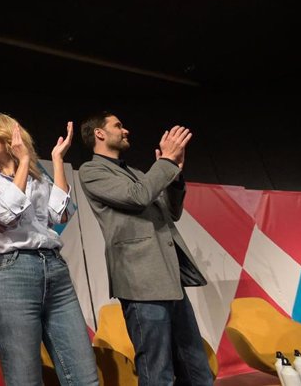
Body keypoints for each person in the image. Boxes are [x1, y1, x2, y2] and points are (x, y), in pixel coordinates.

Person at [78, 111, 213, 386]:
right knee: (156, 370)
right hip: (139, 281)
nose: (125, 130)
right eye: (118, 125)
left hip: (169, 278)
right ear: (99, 134)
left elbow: (171, 212)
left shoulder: (139, 173)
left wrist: (174, 174)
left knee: (196, 366)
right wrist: (164, 163)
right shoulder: (92, 171)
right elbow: (137, 197)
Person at [0, 113, 99, 386]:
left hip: (55, 271)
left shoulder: (37, 179)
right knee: (25, 380)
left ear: (9, 134)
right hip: (12, 274)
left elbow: (59, 214)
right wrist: (25, 161)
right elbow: (5, 213)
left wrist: (58, 160)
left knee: (84, 378)